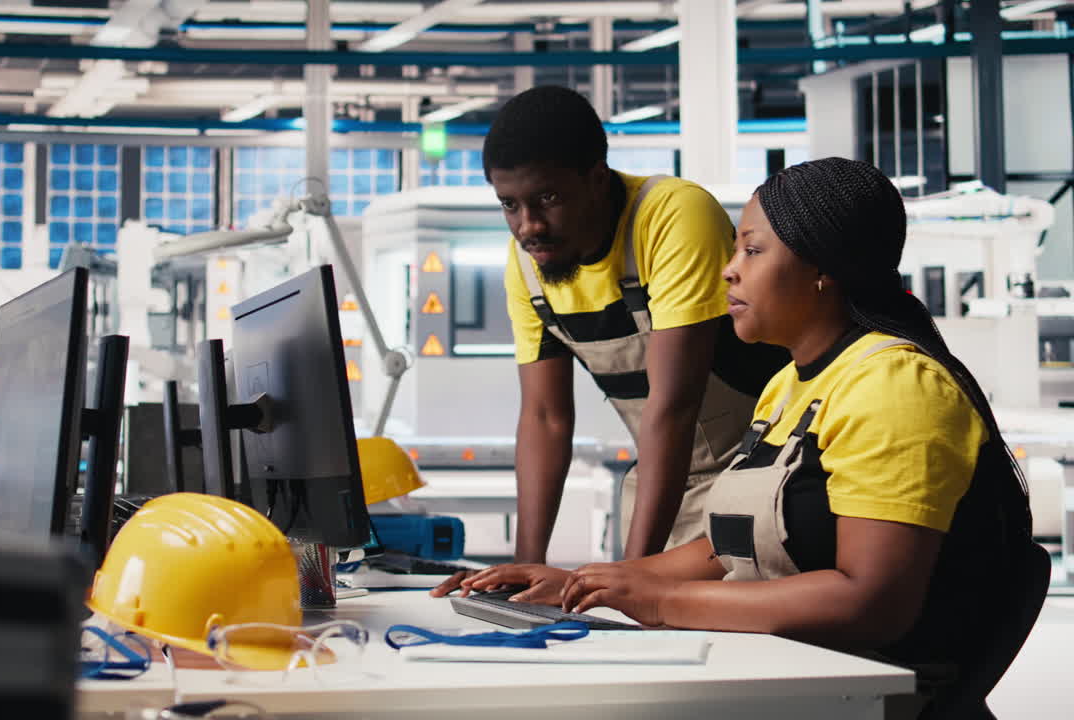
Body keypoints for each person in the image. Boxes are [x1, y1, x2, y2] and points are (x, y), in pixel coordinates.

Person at [443, 157, 1049, 718]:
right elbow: (726, 546)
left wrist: (657, 603)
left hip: (862, 694)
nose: (730, 268)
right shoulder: (789, 384)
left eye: (753, 250)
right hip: (791, 673)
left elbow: (869, 602)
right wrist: (591, 583)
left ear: (821, 273)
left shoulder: (894, 385)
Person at [468, 85, 786, 568]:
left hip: (757, 478)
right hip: (663, 483)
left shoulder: (671, 215)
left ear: (597, 177)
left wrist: (635, 576)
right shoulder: (530, 263)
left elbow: (672, 406)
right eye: (510, 205)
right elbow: (544, 419)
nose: (528, 226)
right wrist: (524, 572)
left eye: (547, 198)